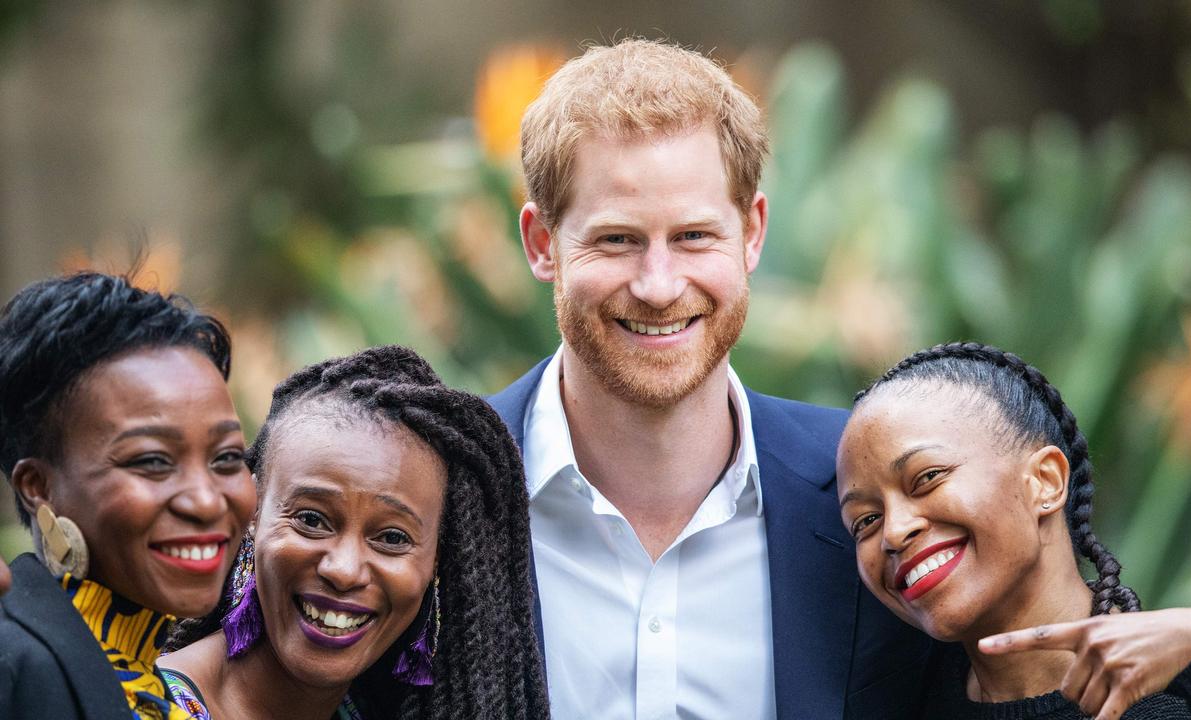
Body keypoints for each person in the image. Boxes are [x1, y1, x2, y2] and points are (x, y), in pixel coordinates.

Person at [487, 37, 933, 719]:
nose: (660, 286)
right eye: (616, 239)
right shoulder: (441, 486)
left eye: (694, 236)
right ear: (542, 244)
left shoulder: (866, 493)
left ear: (752, 233)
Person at [837, 341, 1191, 719]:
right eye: (865, 521)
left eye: (927, 477)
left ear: (1046, 481)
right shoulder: (895, 696)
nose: (893, 532)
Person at [161, 345, 550, 720]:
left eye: (392, 538)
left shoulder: (380, 707)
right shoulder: (135, 704)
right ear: (253, 510)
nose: (344, 570)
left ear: (437, 558)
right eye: (311, 520)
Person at [0, 271, 257, 720]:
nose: (207, 501)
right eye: (153, 461)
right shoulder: (16, 669)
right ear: (38, 487)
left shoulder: (156, 686)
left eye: (227, 457)